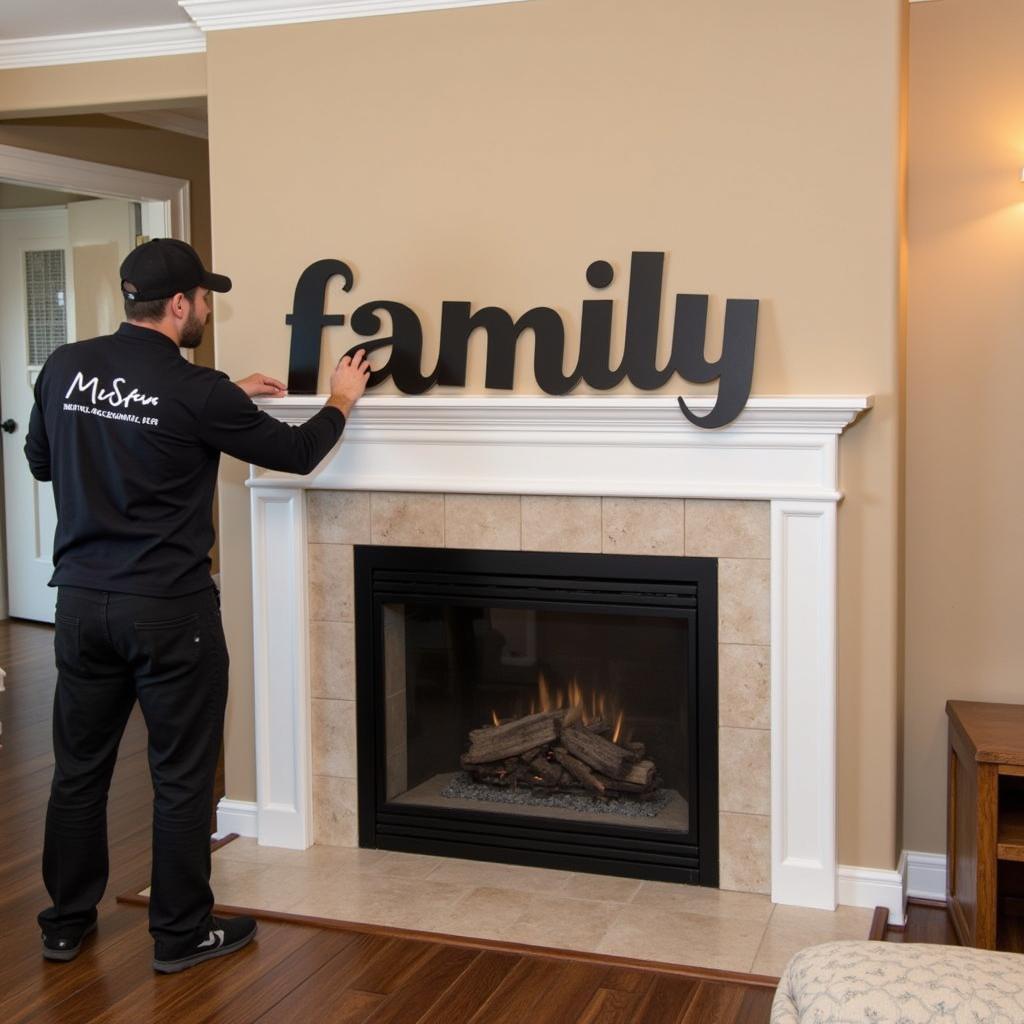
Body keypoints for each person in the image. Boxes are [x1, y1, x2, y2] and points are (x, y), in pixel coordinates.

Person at [24, 237, 369, 974]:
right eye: (205, 298)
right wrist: (342, 398)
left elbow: (46, 461)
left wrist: (216, 405)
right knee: (181, 775)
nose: (207, 308)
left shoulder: (65, 367)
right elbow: (300, 452)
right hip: (169, 613)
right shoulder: (195, 390)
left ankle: (64, 923)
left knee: (78, 770)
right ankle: (180, 935)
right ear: (179, 305)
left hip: (82, 605)